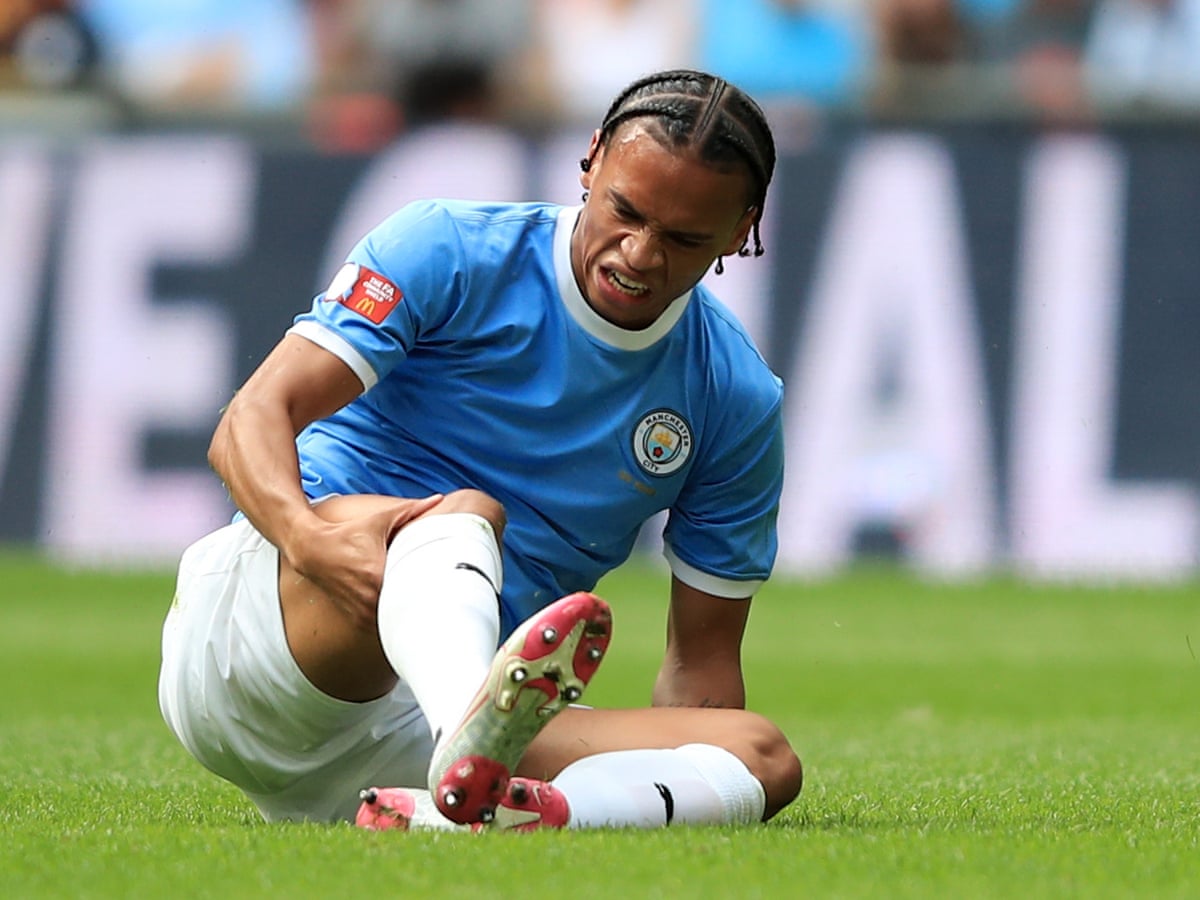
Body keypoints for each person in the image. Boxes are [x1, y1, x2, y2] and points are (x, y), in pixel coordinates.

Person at [157, 68, 803, 832]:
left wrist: (682, 773)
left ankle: (493, 811)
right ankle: (471, 736)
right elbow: (249, 419)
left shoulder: (734, 396)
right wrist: (309, 540)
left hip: (424, 732)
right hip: (275, 643)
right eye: (625, 211)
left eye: (684, 238)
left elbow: (699, 674)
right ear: (590, 159)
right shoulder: (451, 248)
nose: (637, 253)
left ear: (740, 231)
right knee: (463, 518)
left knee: (760, 756)